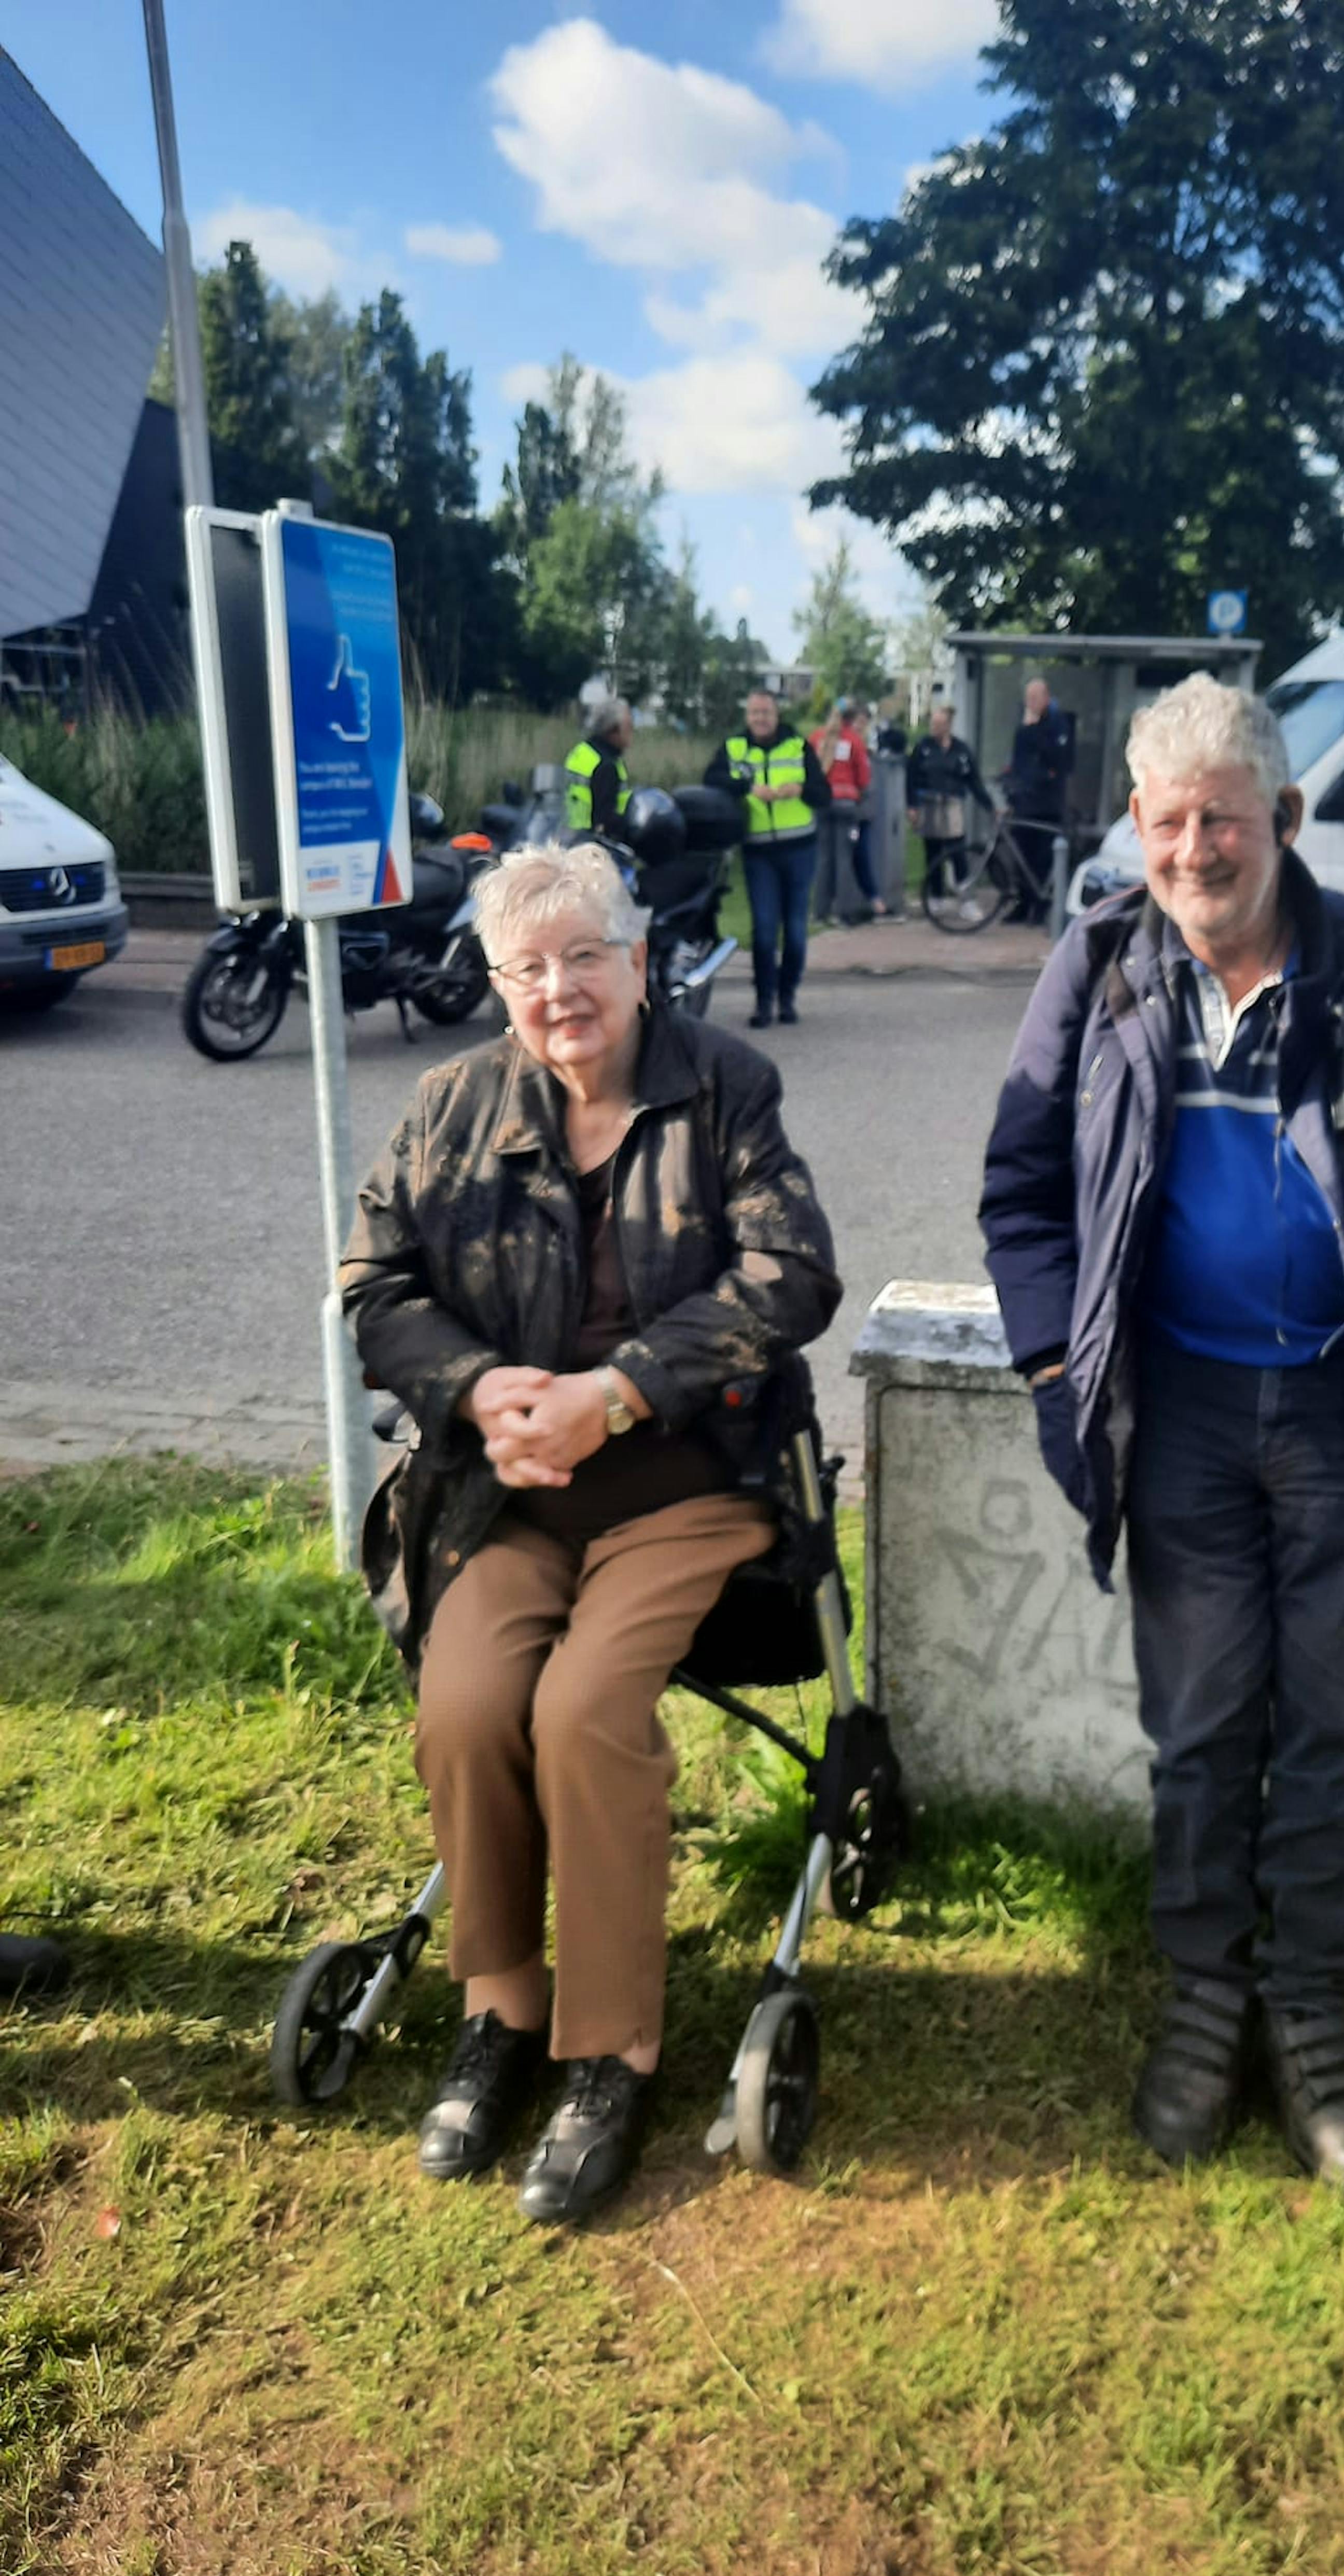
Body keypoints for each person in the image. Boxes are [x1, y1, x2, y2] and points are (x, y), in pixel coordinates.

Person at [979, 675, 1344, 2200]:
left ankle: (1316, 2014)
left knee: (1338, 1729)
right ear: (1138, 830)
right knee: (1202, 1721)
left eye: (1224, 814)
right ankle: (1204, 1994)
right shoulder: (1098, 967)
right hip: (1185, 1409)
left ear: (1283, 819)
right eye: (1166, 819)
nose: (1194, 846)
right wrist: (1051, 1368)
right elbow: (1021, 1189)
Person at [341, 839, 841, 2225]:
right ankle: (502, 2011)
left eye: (586, 957)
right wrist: (482, 1387)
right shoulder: (450, 1107)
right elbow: (375, 1282)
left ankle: (610, 2053)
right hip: (507, 1487)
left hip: (686, 1478)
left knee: (584, 1714)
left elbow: (791, 1272)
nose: (561, 990)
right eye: (529, 968)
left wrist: (614, 1396)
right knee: (466, 1700)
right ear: (499, 985)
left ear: (639, 959)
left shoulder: (723, 1084)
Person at [705, 688, 832, 1030]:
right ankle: (763, 1002)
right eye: (755, 713)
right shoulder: (735, 748)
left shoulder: (798, 746)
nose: (761, 719)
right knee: (763, 931)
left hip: (800, 848)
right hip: (759, 852)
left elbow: (825, 795)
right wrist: (746, 788)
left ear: (778, 715)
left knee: (795, 932)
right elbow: (711, 779)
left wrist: (800, 789)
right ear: (748, 716)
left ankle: (787, 996)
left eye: (767, 713)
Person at [1003, 676, 1075, 915]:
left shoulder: (1058, 723)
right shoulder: (1023, 727)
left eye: (1035, 698)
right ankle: (1023, 904)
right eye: (1028, 699)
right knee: (1021, 856)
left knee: (1042, 858)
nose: (1031, 703)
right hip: (1024, 803)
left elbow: (1059, 760)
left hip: (1047, 805)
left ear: (1046, 698)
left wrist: (1033, 729)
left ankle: (1041, 906)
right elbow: (1018, 762)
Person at [907, 701, 992, 901]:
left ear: (948, 725)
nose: (934, 728)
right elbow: (911, 778)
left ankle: (965, 897)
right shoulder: (923, 747)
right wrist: (912, 806)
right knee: (933, 853)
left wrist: (988, 805)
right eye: (933, 724)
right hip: (930, 805)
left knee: (957, 851)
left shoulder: (961, 750)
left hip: (953, 805)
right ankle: (936, 896)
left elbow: (973, 780)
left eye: (939, 724)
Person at [811, 695, 886, 922]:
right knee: (844, 858)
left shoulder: (816, 738)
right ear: (850, 719)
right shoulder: (854, 741)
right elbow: (864, 778)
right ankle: (843, 912)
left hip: (821, 804)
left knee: (824, 858)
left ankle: (820, 911)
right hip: (846, 804)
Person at [564, 697, 634, 841]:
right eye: (628, 725)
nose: (632, 730)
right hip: (592, 847)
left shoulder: (582, 752)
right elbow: (605, 819)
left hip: (568, 837)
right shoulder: (607, 766)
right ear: (613, 730)